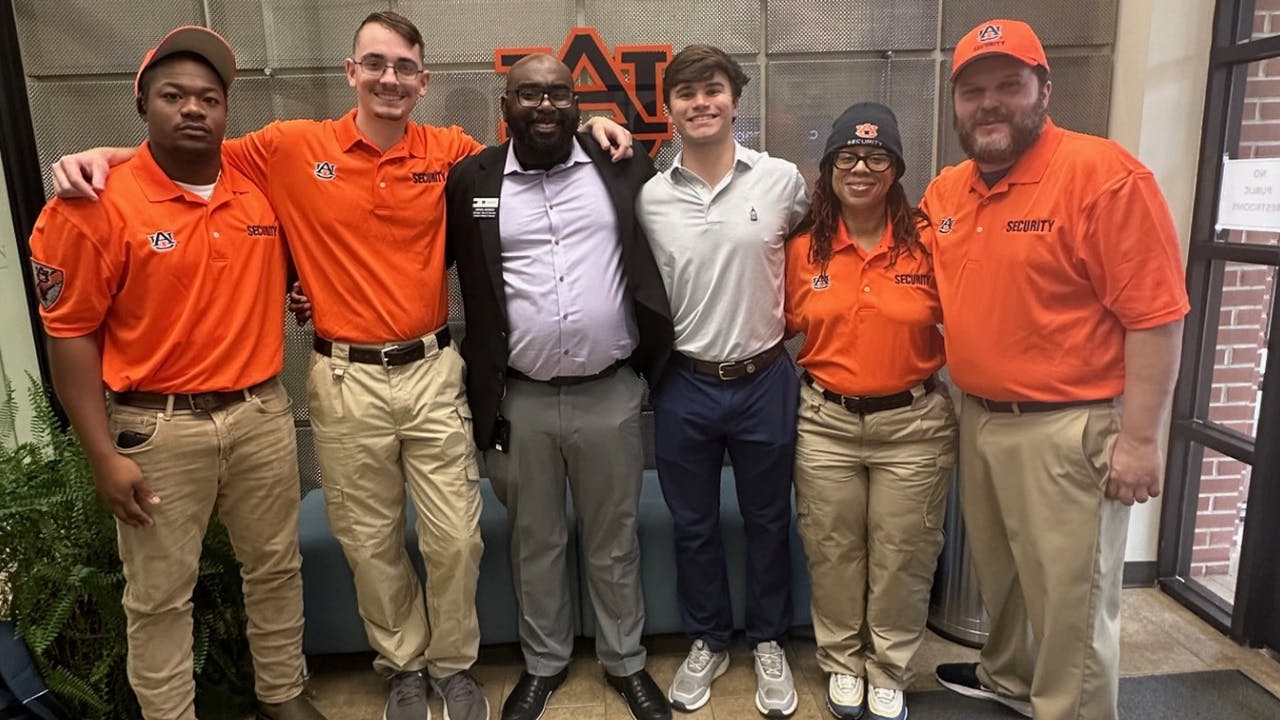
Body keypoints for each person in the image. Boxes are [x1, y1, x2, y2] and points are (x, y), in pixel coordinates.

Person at [50, 13, 631, 720]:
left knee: (456, 537)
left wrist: (597, 124)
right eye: (375, 64)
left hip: (430, 370)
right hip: (344, 376)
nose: (390, 78)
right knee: (368, 539)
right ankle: (404, 666)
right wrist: (100, 157)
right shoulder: (291, 146)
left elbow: (535, 135)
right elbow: (185, 152)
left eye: (404, 67)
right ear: (352, 72)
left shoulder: (450, 152)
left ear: (424, 80)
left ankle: (453, 667)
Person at [28, 26, 325, 720]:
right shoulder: (92, 206)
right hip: (156, 431)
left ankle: (283, 697)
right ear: (142, 106)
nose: (194, 109)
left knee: (276, 567)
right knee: (160, 595)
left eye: (210, 98)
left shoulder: (256, 185)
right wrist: (100, 454)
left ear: (225, 111)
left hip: (259, 415)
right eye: (174, 96)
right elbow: (70, 336)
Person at [922, 19, 1189, 720]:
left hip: (1068, 430)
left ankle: (1069, 708)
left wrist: (1138, 440)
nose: (989, 104)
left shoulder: (1104, 177)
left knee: (1070, 600)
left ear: (1044, 88)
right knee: (1002, 577)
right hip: (978, 415)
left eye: (1008, 85)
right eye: (973, 90)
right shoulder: (947, 193)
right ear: (955, 104)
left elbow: (1156, 317)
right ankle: (1008, 678)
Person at [444, 53, 673, 720]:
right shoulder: (472, 180)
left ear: (579, 105)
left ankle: (625, 661)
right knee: (535, 541)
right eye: (529, 94)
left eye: (559, 94)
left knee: (615, 539)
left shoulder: (621, 164)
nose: (545, 105)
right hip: (520, 399)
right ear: (506, 105)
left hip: (611, 392)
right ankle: (543, 664)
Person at [636, 44, 809, 718]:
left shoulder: (782, 181)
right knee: (694, 524)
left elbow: (817, 254)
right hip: (685, 383)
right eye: (686, 93)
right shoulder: (651, 196)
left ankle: (768, 639)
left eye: (712, 90)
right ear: (669, 108)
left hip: (766, 377)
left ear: (735, 100)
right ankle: (708, 637)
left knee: (770, 518)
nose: (700, 103)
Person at [783, 103, 955, 720]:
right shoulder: (803, 248)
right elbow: (773, 327)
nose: (861, 168)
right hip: (825, 424)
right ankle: (841, 661)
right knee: (832, 552)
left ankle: (888, 668)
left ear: (896, 168)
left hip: (913, 427)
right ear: (828, 167)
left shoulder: (928, 243)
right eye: (847, 157)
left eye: (877, 156)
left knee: (903, 554)